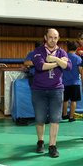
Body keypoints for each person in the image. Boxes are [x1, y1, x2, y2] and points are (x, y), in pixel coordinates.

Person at [31, 28, 71, 158]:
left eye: (55, 37)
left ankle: (52, 145)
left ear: (58, 39)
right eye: (50, 37)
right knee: (40, 118)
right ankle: (40, 141)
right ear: (45, 37)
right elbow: (41, 66)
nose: (52, 40)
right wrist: (59, 62)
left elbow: (68, 67)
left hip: (56, 89)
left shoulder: (62, 52)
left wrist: (53, 59)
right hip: (39, 90)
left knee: (55, 118)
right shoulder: (38, 52)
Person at [62, 41, 82, 122]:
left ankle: (64, 114)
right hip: (75, 83)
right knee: (74, 100)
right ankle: (71, 117)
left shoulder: (64, 58)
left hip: (64, 82)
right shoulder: (78, 58)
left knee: (65, 100)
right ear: (77, 48)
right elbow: (80, 71)